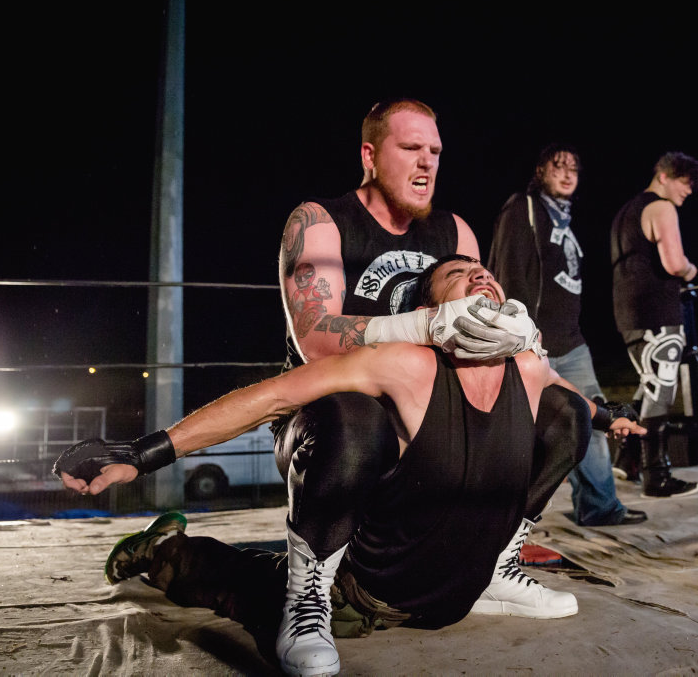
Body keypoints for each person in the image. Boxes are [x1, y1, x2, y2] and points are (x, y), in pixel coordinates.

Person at [56, 256, 644, 677]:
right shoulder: (404, 364)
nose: (481, 276)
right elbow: (274, 396)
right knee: (239, 579)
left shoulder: (529, 369)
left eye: (485, 272)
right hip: (369, 589)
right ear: (429, 308)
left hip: (455, 589)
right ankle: (174, 553)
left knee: (569, 412)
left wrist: (610, 415)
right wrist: (143, 453)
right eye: (460, 274)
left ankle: (497, 566)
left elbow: (577, 401)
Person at [272, 98, 586, 629]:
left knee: (565, 414)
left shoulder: (454, 231)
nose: (427, 162)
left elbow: (483, 331)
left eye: (435, 150)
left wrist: (521, 339)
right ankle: (307, 599)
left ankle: (493, 565)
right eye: (411, 148)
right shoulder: (322, 220)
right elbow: (315, 340)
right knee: (357, 414)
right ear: (370, 154)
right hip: (328, 420)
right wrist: (419, 326)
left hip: (427, 416)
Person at [488, 144, 646, 526]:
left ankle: (599, 507)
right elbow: (508, 271)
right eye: (558, 166)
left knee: (594, 419)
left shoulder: (564, 219)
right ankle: (498, 520)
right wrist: (522, 331)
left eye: (574, 167)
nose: (567, 173)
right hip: (534, 340)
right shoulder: (522, 208)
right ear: (540, 170)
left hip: (571, 341)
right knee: (515, 433)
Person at [610, 152, 698, 498]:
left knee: (649, 384)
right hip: (657, 312)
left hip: (629, 312)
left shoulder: (626, 211)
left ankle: (626, 458)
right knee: (662, 389)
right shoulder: (662, 208)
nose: (689, 191)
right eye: (685, 182)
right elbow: (674, 262)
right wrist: (691, 270)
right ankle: (657, 476)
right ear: (664, 176)